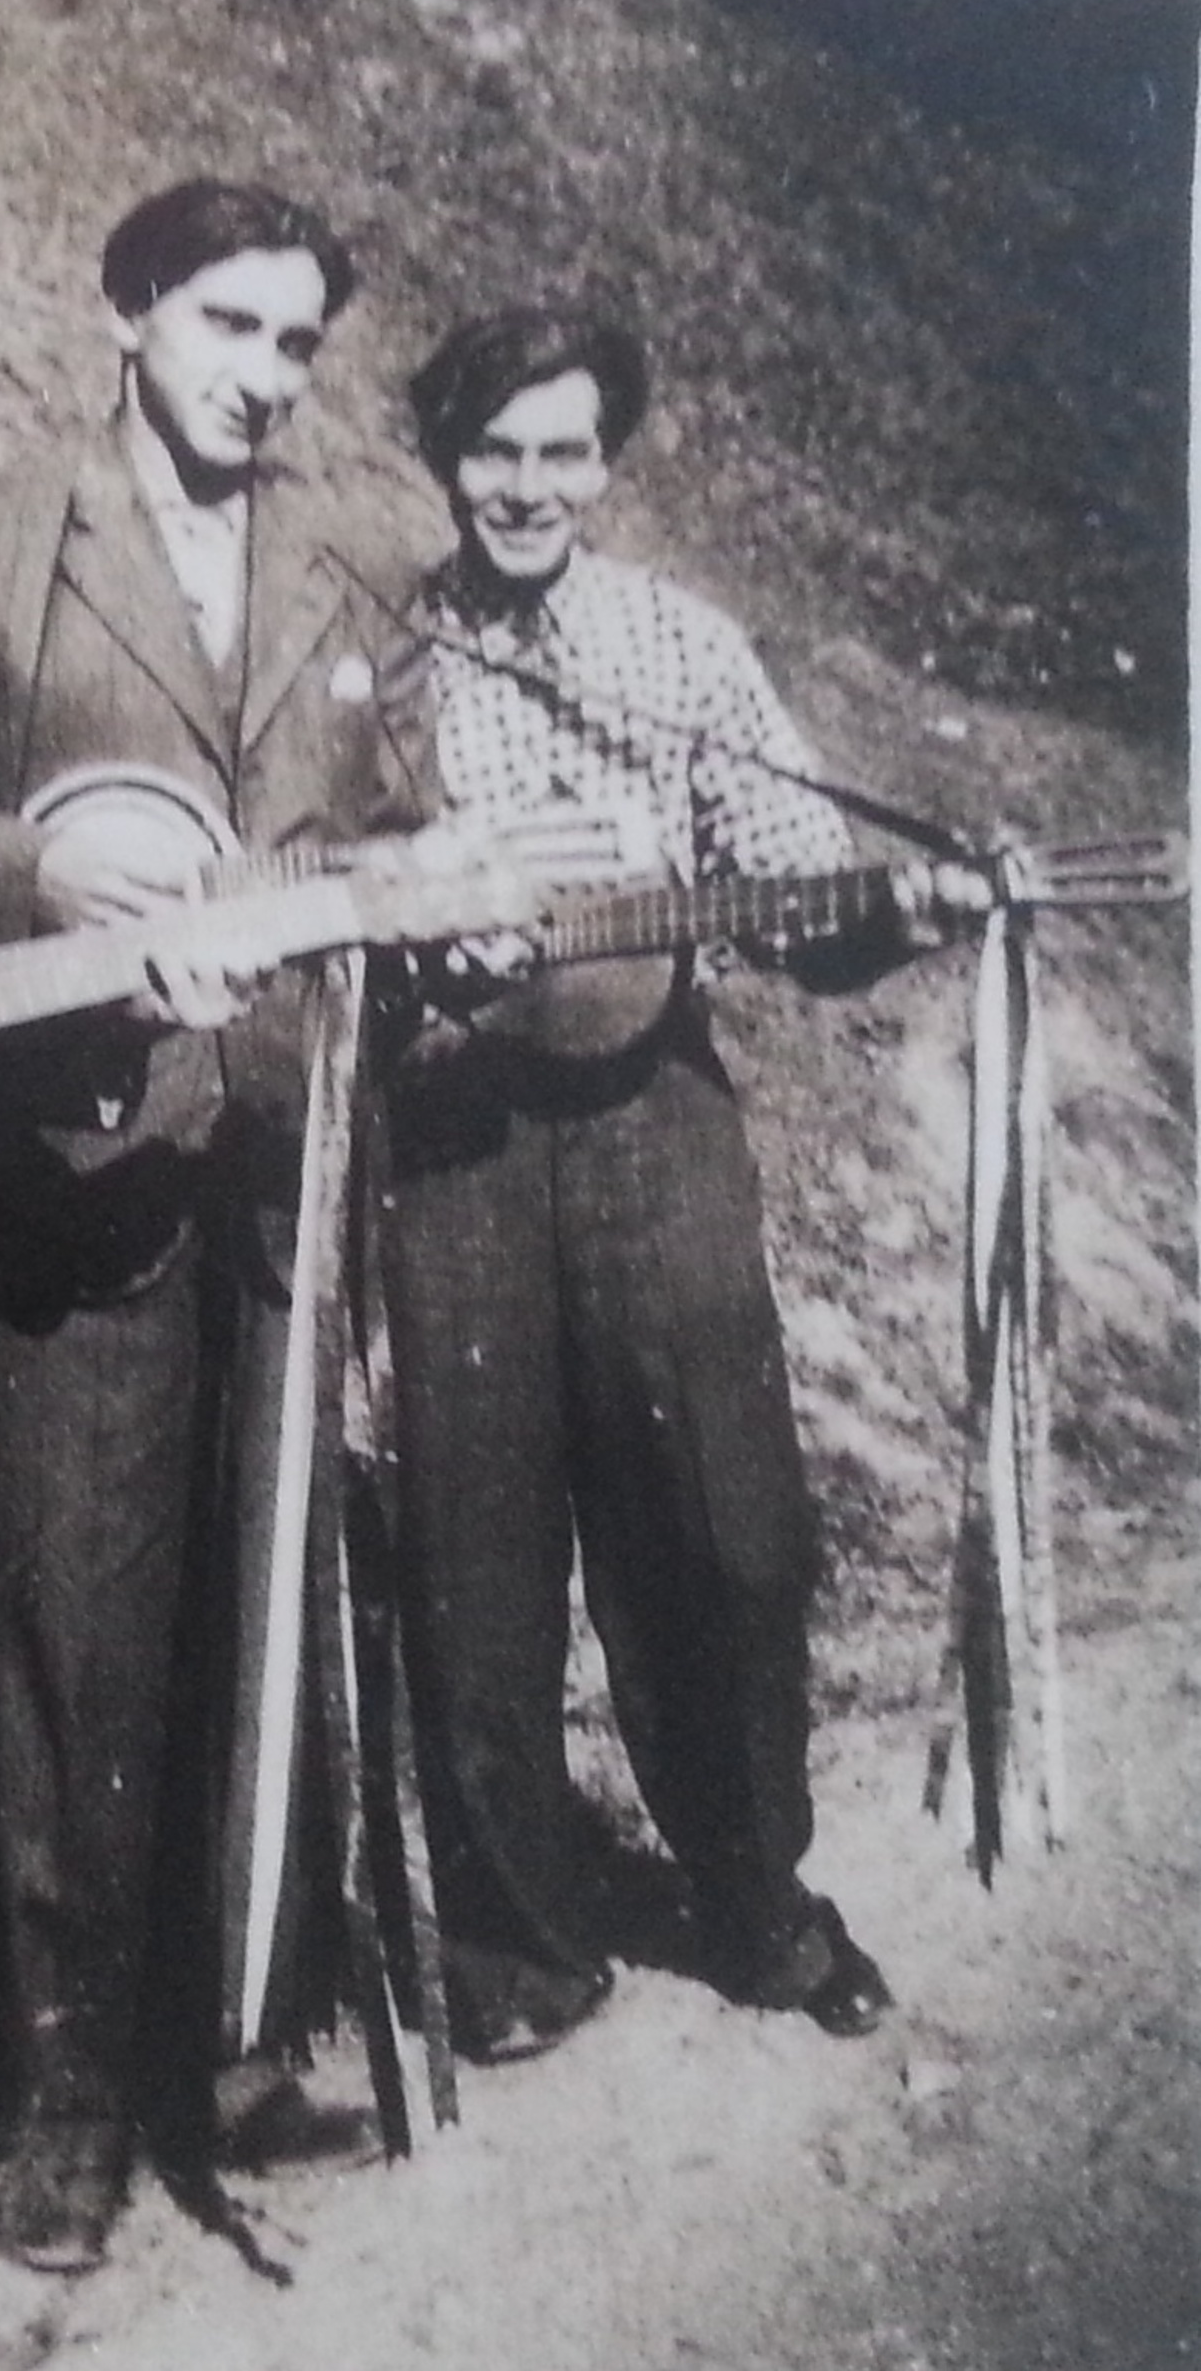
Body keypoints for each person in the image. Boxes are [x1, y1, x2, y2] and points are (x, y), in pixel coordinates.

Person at [0, 178, 410, 2269]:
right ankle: (63, 2108)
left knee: (260, 1602)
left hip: (282, 1167)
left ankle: (238, 2035)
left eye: (295, 344)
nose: (261, 378)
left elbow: (389, 832)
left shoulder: (347, 570)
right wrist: (32, 876)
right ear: (126, 313)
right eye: (224, 327)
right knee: (65, 1648)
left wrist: (433, 903)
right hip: (70, 1171)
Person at [371, 304, 979, 2068]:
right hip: (455, 1132)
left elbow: (797, 889)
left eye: (564, 451)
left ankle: (757, 1899)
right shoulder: (378, 656)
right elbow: (323, 887)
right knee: (475, 1546)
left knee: (727, 1527)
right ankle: (516, 1942)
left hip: (656, 1115)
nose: (527, 486)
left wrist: (896, 915)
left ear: (607, 463)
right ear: (445, 458)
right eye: (495, 449)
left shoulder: (682, 646)